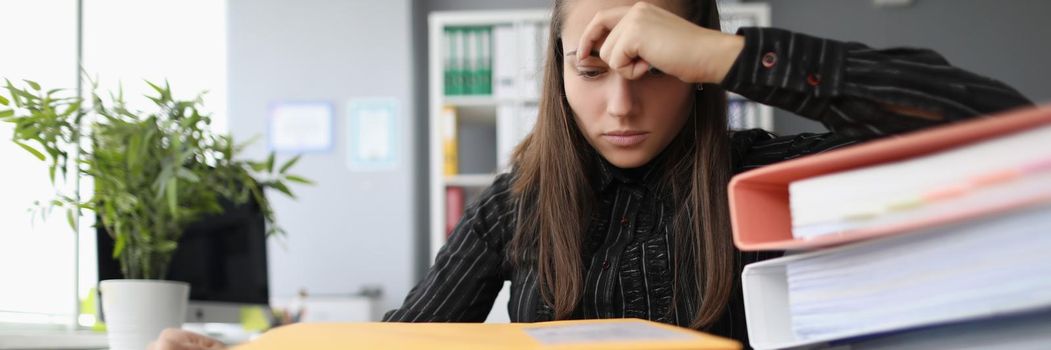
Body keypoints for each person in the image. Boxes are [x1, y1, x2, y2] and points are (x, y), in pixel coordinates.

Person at [151, 0, 1032, 348]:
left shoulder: (761, 179)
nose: (620, 105)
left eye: (653, 68)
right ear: (556, 70)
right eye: (592, 69)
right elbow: (406, 342)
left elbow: (994, 126)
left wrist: (731, 54)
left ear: (694, 74)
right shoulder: (516, 205)